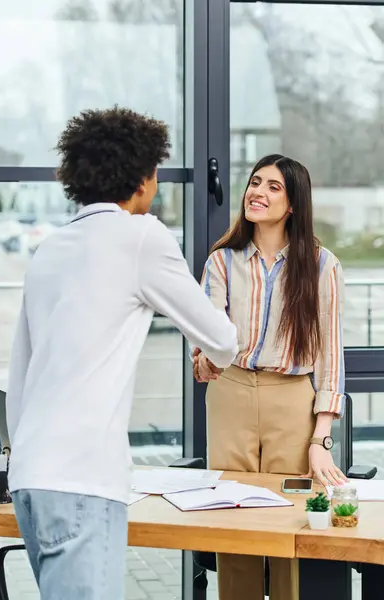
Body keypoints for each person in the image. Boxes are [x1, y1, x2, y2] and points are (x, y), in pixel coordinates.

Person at [6, 106, 238, 600]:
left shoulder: (49, 249)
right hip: (83, 480)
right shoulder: (140, 237)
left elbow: (20, 376)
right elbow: (222, 338)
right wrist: (213, 354)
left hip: (30, 480)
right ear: (142, 178)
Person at [193, 154, 347, 600]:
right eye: (255, 182)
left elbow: (330, 358)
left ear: (294, 203)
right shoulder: (222, 262)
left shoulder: (321, 265)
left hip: (291, 398)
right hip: (230, 393)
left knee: (289, 522)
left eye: (273, 187)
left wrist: (320, 441)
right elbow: (205, 342)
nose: (256, 193)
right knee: (233, 521)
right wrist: (203, 361)